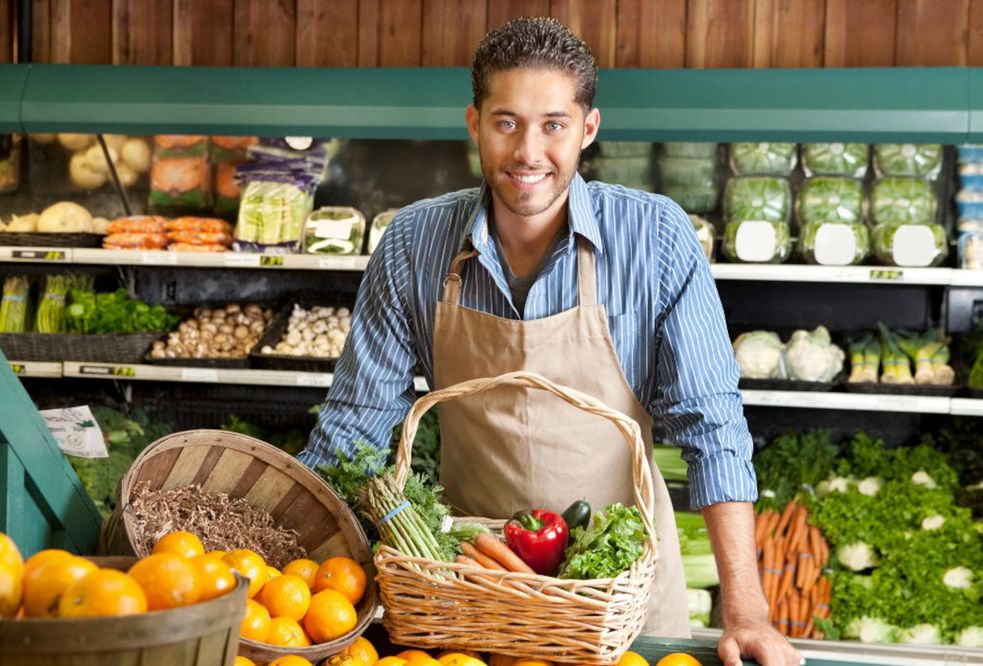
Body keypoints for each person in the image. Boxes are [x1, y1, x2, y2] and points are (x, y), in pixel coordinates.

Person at [300, 16, 801, 666]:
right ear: (474, 122)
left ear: (587, 129)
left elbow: (713, 428)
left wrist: (746, 610)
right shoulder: (413, 246)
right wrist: (283, 556)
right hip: (471, 589)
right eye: (506, 122)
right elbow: (355, 431)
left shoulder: (654, 240)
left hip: (617, 595)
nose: (528, 151)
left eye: (553, 125)